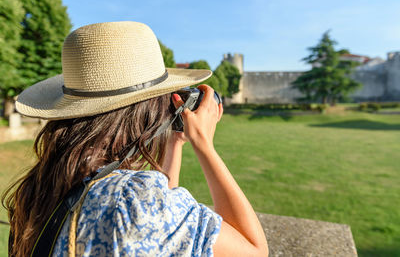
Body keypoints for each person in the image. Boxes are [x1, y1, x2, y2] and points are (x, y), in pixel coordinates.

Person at [3, 21, 268, 256]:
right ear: (144, 109)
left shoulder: (44, 184)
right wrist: (204, 145)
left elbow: (161, 232)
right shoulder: (134, 201)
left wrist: (175, 139)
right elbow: (253, 249)